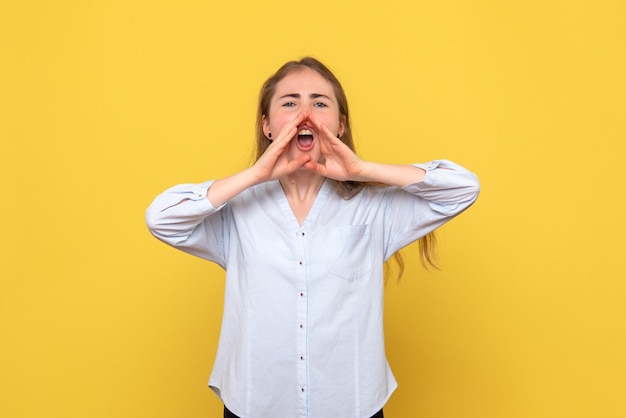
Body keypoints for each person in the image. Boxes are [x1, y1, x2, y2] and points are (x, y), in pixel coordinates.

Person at [146, 57, 480, 418]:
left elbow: (463, 188)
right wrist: (256, 174)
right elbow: (161, 218)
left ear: (339, 125)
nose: (305, 113)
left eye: (319, 103)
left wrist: (362, 169)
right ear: (267, 125)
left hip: (351, 406)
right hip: (256, 405)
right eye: (290, 103)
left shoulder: (374, 209)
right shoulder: (237, 211)